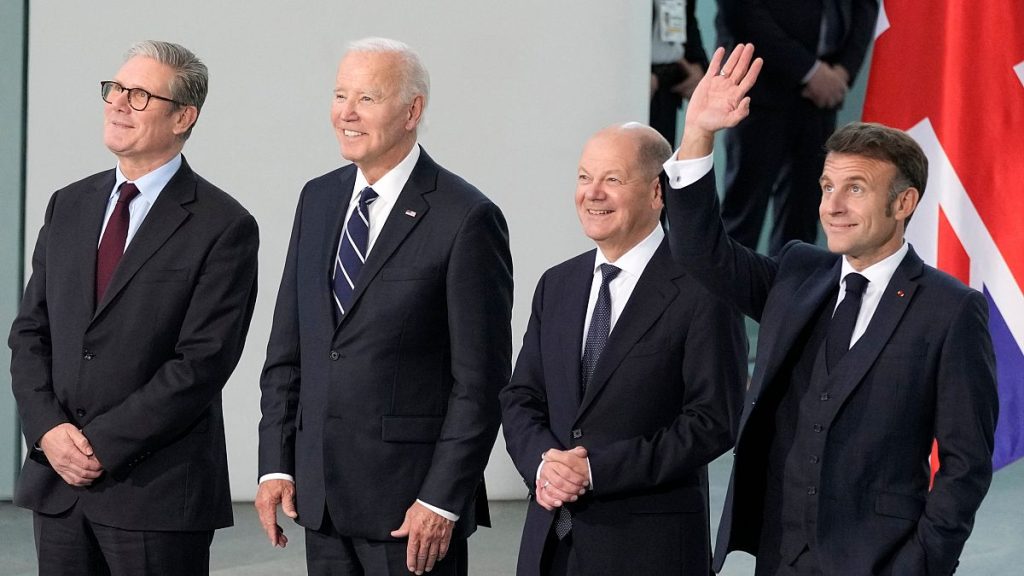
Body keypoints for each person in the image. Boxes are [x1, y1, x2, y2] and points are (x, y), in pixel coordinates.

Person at [664, 44, 998, 575]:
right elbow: (700, 251)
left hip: (881, 560)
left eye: (855, 189)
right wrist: (698, 135)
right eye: (826, 187)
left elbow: (966, 462)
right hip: (776, 555)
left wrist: (923, 563)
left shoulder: (952, 311)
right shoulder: (797, 273)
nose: (832, 206)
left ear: (903, 203)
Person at [255, 37, 513, 576]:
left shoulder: (466, 217)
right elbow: (289, 347)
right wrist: (275, 463)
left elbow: (481, 382)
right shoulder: (318, 199)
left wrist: (441, 499)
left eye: (366, 98)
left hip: (410, 511)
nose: (345, 113)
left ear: (411, 110)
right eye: (339, 95)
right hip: (320, 500)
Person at [9, 41, 259, 575]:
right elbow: (31, 332)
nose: (118, 103)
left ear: (183, 117)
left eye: (140, 94)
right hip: (58, 486)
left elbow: (201, 364)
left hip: (156, 494)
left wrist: (98, 445)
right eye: (115, 89)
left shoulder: (224, 225)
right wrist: (48, 432)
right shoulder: (69, 204)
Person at [500, 122, 747, 575]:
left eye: (612, 180)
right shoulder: (557, 284)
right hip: (549, 548)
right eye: (583, 177)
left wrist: (596, 470)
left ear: (657, 193)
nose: (592, 193)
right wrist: (545, 467)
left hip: (648, 551)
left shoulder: (703, 289)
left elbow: (714, 421)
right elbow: (521, 397)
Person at [715, 0, 878, 254]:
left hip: (822, 97)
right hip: (759, 92)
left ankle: (791, 293)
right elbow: (741, 11)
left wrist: (842, 73)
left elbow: (865, 7)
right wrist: (809, 72)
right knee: (742, 217)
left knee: (802, 220)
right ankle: (728, 294)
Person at [650, 0, 708, 144]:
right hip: (629, 83)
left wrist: (698, 63)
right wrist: (633, 71)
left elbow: (687, 16)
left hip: (669, 87)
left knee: (660, 158)